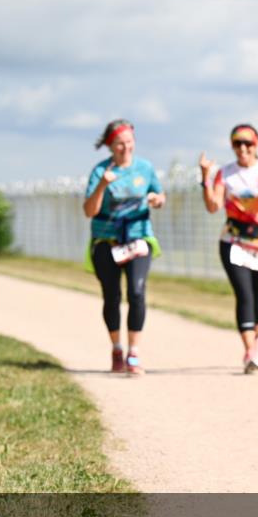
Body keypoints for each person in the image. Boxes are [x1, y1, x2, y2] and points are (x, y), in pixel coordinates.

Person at [83, 119, 166, 376]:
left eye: (129, 142)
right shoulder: (100, 171)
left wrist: (157, 199)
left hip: (138, 240)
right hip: (106, 242)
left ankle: (134, 353)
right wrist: (102, 185)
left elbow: (160, 196)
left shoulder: (145, 168)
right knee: (112, 296)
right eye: (120, 143)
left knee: (137, 293)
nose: (125, 147)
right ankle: (116, 349)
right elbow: (89, 211)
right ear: (110, 146)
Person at [199, 124, 258, 373]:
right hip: (234, 241)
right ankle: (250, 351)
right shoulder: (225, 173)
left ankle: (255, 343)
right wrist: (205, 177)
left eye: (248, 143)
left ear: (257, 145)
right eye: (237, 144)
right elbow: (213, 206)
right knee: (244, 294)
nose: (243, 148)